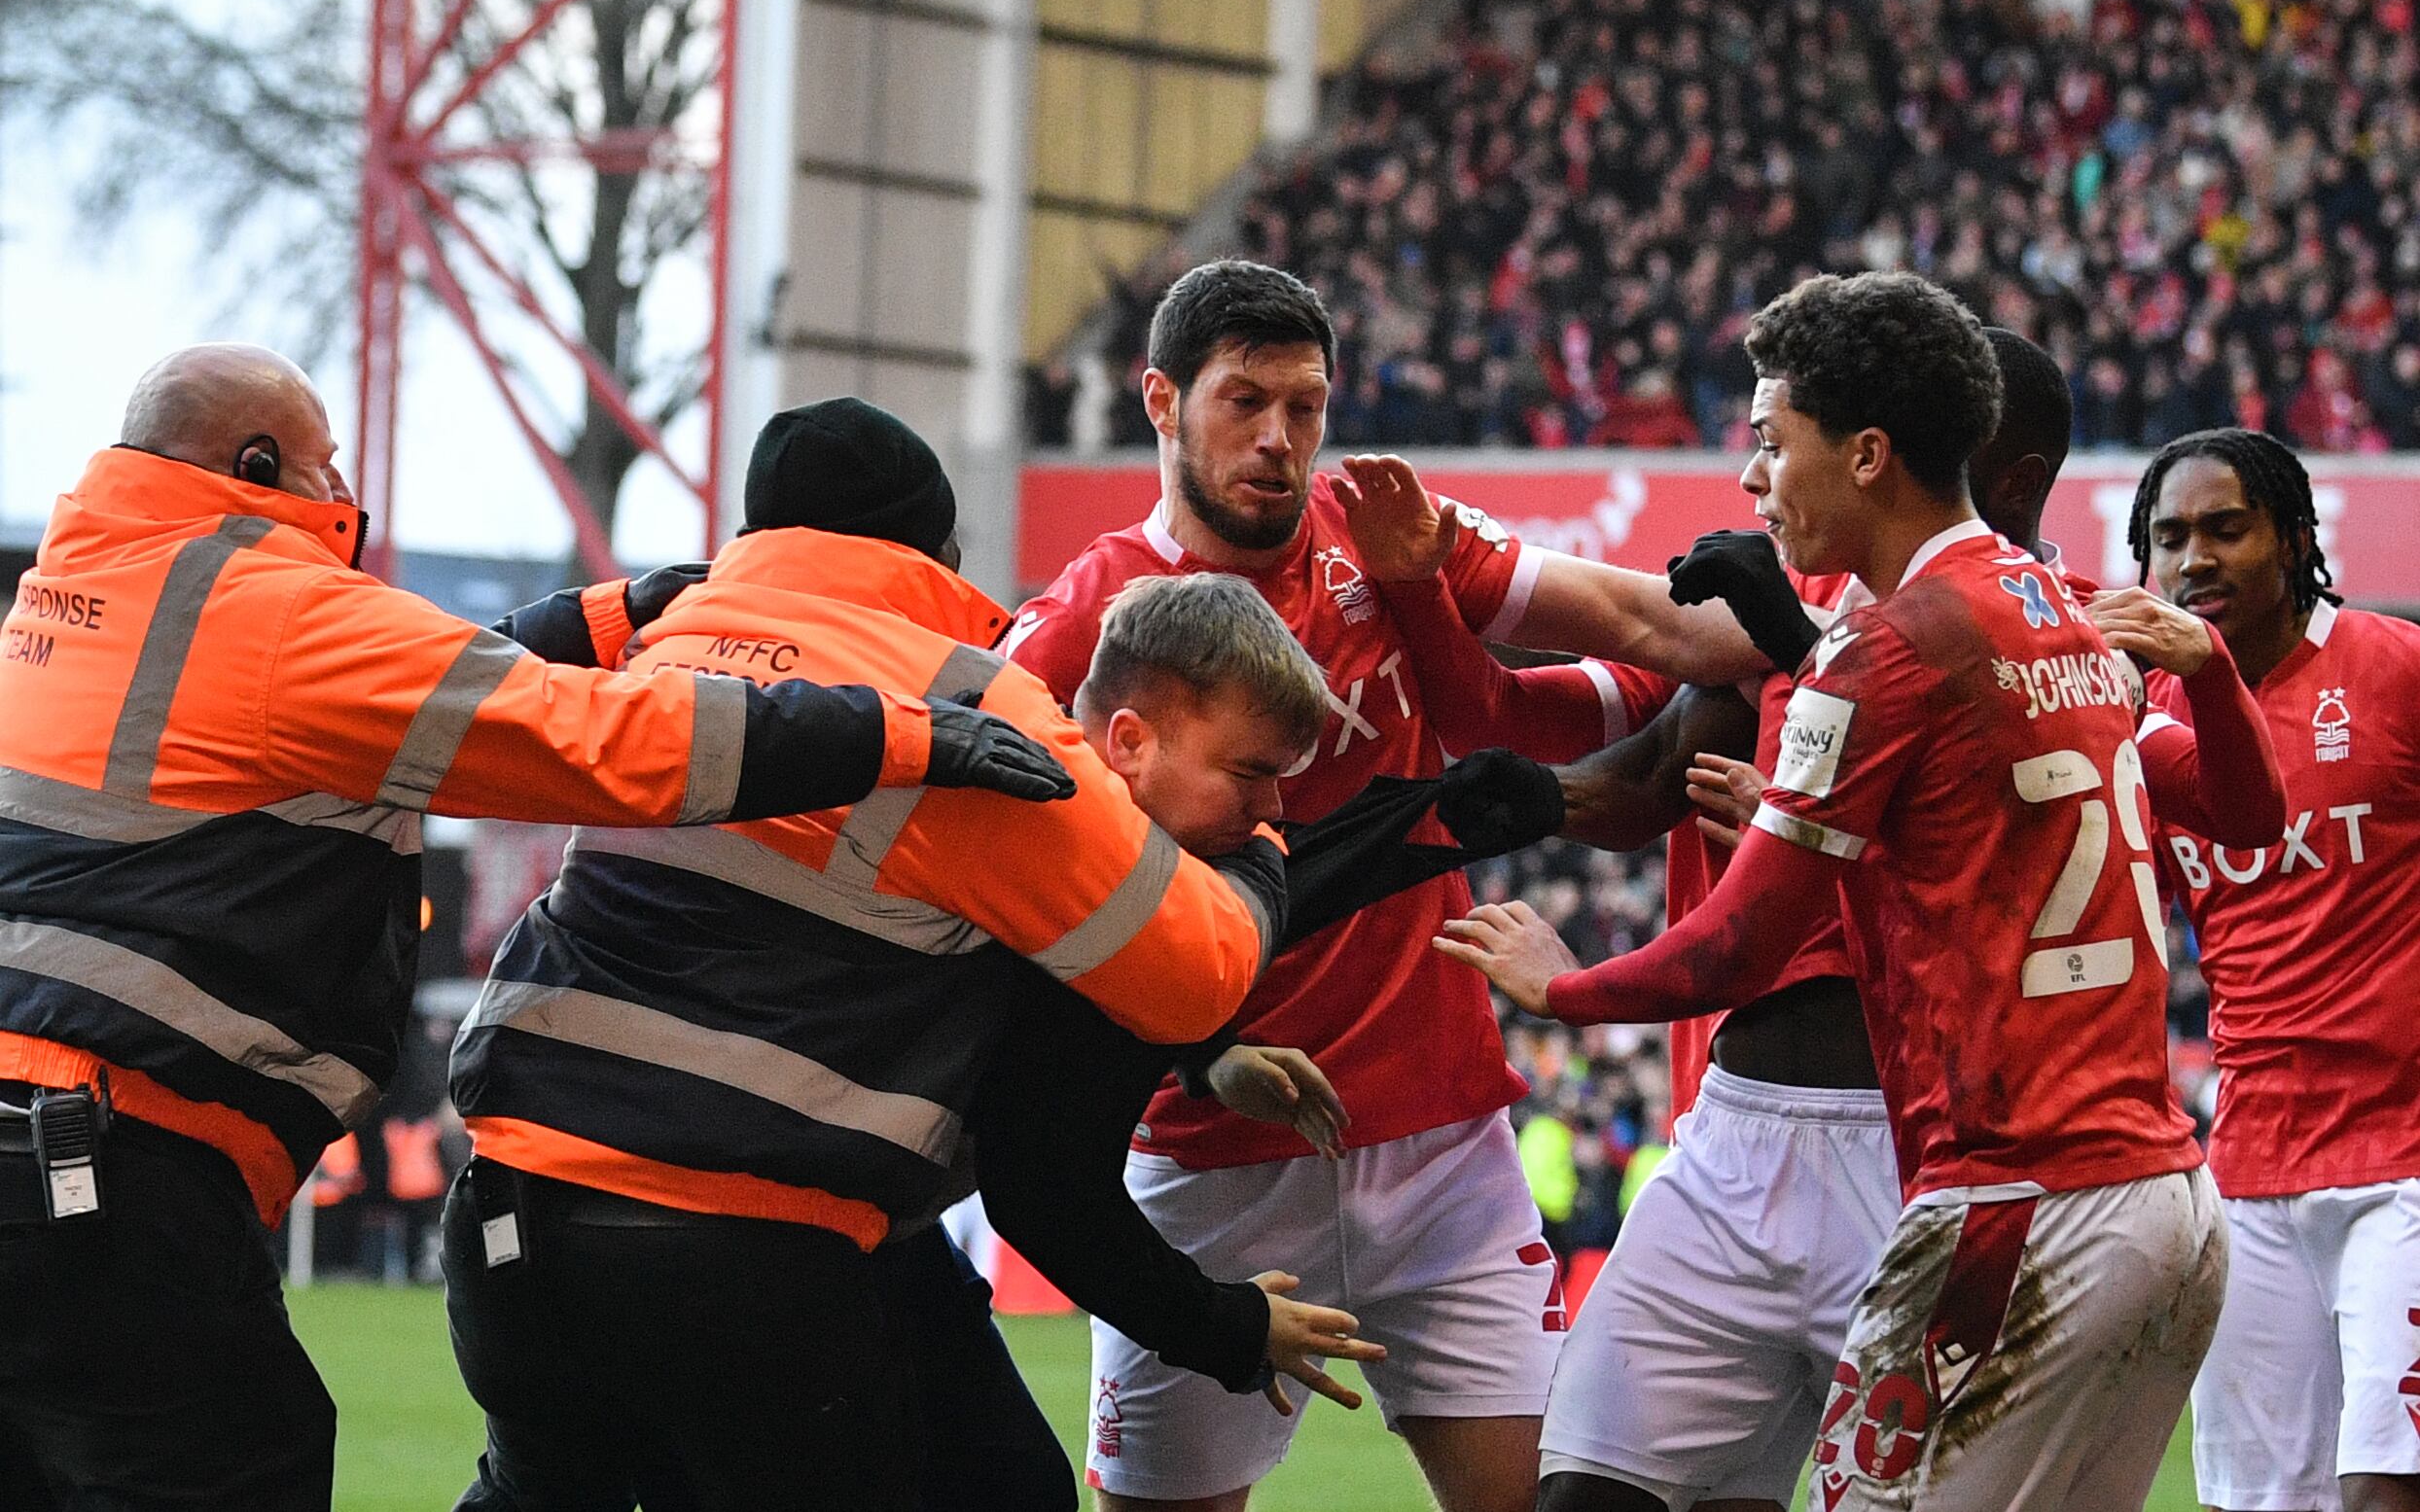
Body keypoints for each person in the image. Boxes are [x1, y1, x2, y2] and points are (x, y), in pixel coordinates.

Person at [0, 350, 1068, 1512]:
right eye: (326, 464)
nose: (343, 490)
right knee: (224, 1470)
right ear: (256, 466)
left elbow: (386, 695)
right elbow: (582, 739)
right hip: (103, 1165)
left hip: (62, 1152)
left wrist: (612, 617)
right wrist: (890, 736)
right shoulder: (261, 601)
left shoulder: (70, 603)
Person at [1367, 327, 2284, 1512]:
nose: (1753, 477)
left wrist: (1564, 985)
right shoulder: (2070, 627)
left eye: (1770, 444)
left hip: (1989, 1184)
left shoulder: (1878, 644)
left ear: (1870, 457)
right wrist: (2206, 671)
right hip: (2074, 1179)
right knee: (1588, 1486)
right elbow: (2228, 811)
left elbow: (1744, 932)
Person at [442, 398, 1288, 1512]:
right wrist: (1263, 842)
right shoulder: (973, 705)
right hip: (742, 1252)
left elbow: (434, 682)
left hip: (509, 1223)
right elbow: (1196, 970)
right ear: (938, 552)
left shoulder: (659, 648)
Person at [1006, 261, 1680, 1512]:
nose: (1277, 441)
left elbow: (1649, 629)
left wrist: (1809, 599)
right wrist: (1200, 1054)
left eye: (1304, 408)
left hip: (1440, 1136)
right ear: (1160, 401)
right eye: (1242, 401)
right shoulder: (1072, 629)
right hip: (1210, 1159)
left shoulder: (1386, 541)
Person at [891, 573, 1572, 1512]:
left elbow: (1263, 891)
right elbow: (1045, 1189)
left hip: (835, 1208)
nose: (1269, 809)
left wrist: (1206, 1053)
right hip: (796, 1226)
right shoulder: (1060, 860)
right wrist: (1231, 1326)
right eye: (1251, 774)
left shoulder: (1067, 794)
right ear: (1128, 739)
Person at [2125, 428, 2420, 1512]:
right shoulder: (2148, 726)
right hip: (2248, 1172)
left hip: (2405, 1161)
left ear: (2294, 541)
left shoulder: (2395, 669)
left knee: (2385, 1489)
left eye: (2223, 529)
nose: (2193, 559)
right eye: (2168, 539)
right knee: (2256, 1501)